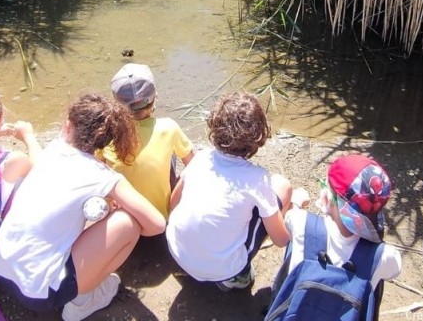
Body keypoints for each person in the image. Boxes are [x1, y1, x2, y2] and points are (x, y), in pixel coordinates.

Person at [0, 93, 165, 321]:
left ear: (68, 126)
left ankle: (80, 279)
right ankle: (84, 300)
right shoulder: (101, 174)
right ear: (106, 141)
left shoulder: (53, 149)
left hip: (1, 267)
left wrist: (29, 136)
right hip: (40, 294)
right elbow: (157, 225)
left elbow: (37, 159)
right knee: (128, 222)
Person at [166, 92, 292, 291]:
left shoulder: (201, 158)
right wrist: (295, 207)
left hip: (178, 253)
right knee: (283, 187)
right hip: (222, 269)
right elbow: (282, 240)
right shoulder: (257, 178)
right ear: (258, 136)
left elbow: (174, 202)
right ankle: (236, 277)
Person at [286, 154, 402, 291]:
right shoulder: (384, 255)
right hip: (349, 309)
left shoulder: (301, 222)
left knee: (293, 246)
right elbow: (395, 271)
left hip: (298, 310)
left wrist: (295, 203)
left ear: (328, 199)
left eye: (325, 185)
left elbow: (288, 222)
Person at [102, 63, 194, 219]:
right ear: (155, 97)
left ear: (116, 104)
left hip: (120, 220)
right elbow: (194, 165)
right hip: (158, 218)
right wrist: (179, 186)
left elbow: (94, 166)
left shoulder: (105, 132)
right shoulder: (168, 128)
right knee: (170, 156)